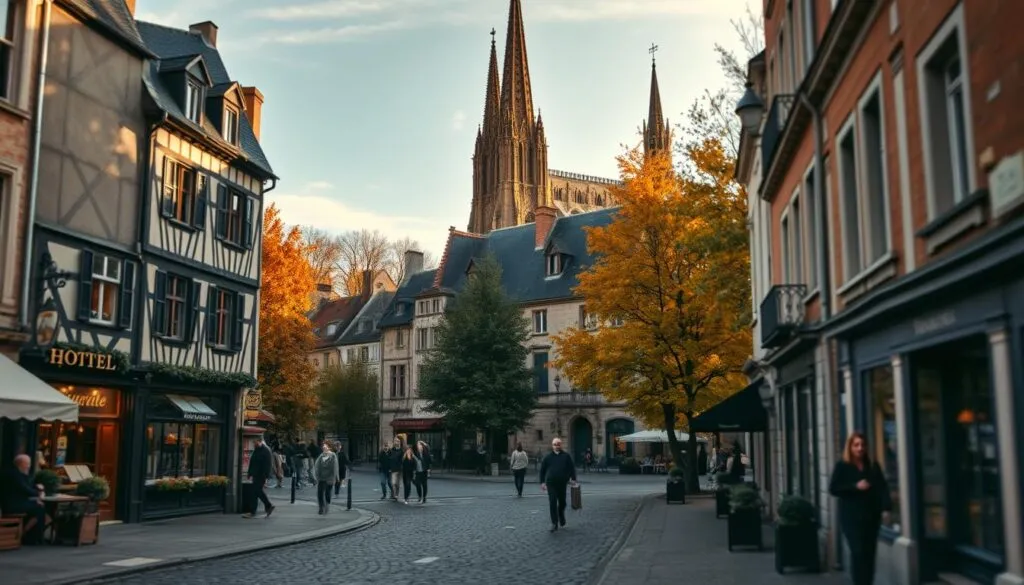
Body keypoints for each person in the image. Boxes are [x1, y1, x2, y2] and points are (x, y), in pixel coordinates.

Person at [829, 432, 892, 585]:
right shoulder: (842, 466)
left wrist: (886, 508)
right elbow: (834, 488)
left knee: (869, 554)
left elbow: (882, 488)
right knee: (858, 552)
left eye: (863, 445)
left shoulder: (873, 466)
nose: (860, 448)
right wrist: (855, 487)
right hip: (851, 519)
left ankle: (868, 582)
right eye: (856, 445)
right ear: (850, 447)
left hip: (871, 517)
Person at [0, 455, 46, 544]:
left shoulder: (17, 474)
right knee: (39, 509)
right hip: (12, 505)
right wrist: (38, 493)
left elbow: (27, 486)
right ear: (21, 464)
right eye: (27, 464)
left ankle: (31, 535)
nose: (29, 466)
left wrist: (37, 488)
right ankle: (24, 535)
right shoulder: (14, 475)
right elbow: (24, 489)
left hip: (14, 503)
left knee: (38, 506)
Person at [539, 438, 577, 532]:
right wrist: (542, 482)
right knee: (552, 502)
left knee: (562, 502)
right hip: (551, 483)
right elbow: (542, 470)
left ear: (561, 445)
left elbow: (571, 468)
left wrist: (573, 478)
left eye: (558, 444)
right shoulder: (548, 457)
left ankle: (561, 514)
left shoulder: (566, 456)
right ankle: (554, 523)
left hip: (562, 483)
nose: (557, 446)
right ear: (552, 446)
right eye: (555, 444)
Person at [244, 436, 275, 518]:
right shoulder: (257, 450)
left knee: (256, 491)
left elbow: (268, 465)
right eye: (253, 442)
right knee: (256, 492)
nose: (254, 444)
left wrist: (266, 477)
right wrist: (249, 473)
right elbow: (252, 462)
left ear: (260, 441)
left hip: (261, 475)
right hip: (256, 474)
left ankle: (266, 506)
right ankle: (266, 506)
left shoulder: (266, 451)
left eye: (255, 442)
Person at [313, 442, 340, 515]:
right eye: (323, 447)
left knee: (327, 493)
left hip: (329, 477)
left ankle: (327, 504)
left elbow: (335, 467)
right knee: (320, 493)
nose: (324, 448)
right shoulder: (321, 456)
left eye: (325, 447)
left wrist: (336, 478)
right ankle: (321, 507)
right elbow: (317, 466)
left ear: (329, 448)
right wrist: (317, 476)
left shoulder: (333, 456)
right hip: (321, 477)